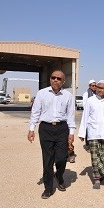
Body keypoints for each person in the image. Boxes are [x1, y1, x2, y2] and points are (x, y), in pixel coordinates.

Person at [27, 70, 75, 199]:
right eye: (53, 77)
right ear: (50, 79)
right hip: (46, 129)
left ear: (63, 81)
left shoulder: (68, 96)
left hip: (61, 129)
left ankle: (59, 176)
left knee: (61, 157)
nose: (55, 80)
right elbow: (35, 112)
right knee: (47, 159)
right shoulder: (42, 94)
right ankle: (48, 188)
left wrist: (71, 133)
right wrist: (31, 129)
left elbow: (70, 115)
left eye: (59, 78)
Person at [78, 80, 104, 189]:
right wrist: (82, 133)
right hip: (93, 133)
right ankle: (96, 179)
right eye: (98, 87)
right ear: (95, 88)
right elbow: (85, 117)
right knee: (95, 156)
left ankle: (103, 171)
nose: (100, 90)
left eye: (103, 88)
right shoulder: (90, 100)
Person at [82, 79, 96, 151]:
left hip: (95, 116)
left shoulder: (97, 94)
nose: (94, 87)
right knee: (88, 130)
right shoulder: (86, 94)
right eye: (93, 86)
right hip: (89, 115)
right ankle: (88, 145)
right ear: (89, 86)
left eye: (95, 85)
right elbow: (85, 105)